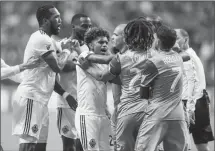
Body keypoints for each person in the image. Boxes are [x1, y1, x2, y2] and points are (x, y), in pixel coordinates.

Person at [78, 18, 155, 151]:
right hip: (147, 111)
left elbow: (104, 74)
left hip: (126, 112)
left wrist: (85, 62)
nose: (111, 39)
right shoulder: (153, 56)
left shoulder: (120, 59)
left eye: (115, 35)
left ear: (126, 37)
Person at [12, 5, 77, 151]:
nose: (60, 20)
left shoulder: (49, 41)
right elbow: (58, 67)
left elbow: (53, 71)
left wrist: (65, 94)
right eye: (56, 17)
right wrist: (66, 49)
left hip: (41, 101)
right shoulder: (41, 39)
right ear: (45, 21)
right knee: (28, 146)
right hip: (31, 99)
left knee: (40, 147)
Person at [134, 25, 188, 151]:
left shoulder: (152, 62)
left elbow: (143, 92)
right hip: (178, 115)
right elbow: (182, 55)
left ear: (157, 41)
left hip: (158, 113)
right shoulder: (178, 57)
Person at [53, 13, 92, 151]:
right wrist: (65, 95)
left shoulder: (89, 48)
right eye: (84, 26)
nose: (88, 29)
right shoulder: (60, 45)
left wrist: (73, 65)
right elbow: (54, 73)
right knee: (69, 146)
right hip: (66, 104)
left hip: (86, 104)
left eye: (90, 26)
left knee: (84, 145)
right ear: (74, 26)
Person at [175, 28, 214, 151]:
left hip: (191, 103)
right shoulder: (192, 54)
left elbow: (192, 83)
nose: (174, 42)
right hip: (200, 101)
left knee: (180, 141)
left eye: (177, 38)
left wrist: (188, 107)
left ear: (185, 39)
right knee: (201, 143)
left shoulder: (186, 56)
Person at [75, 27, 112, 151]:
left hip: (103, 115)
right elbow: (108, 58)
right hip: (87, 115)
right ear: (90, 44)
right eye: (101, 42)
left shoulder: (105, 64)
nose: (105, 45)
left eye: (106, 42)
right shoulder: (84, 55)